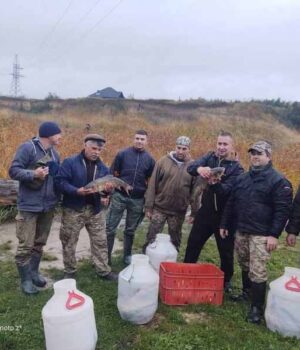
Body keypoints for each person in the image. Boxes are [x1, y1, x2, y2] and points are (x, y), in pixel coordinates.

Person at [220, 141, 293, 324]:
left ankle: (256, 308)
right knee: (244, 262)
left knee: (258, 269)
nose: (255, 156)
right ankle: (247, 292)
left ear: (269, 156)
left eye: (259, 153)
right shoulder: (243, 178)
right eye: (253, 153)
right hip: (242, 229)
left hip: (262, 233)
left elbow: (282, 210)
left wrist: (274, 234)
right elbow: (231, 203)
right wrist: (225, 224)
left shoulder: (279, 181)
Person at [184, 131, 243, 293]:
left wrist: (214, 183)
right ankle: (186, 271)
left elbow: (226, 191)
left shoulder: (238, 169)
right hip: (206, 211)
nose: (221, 147)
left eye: (225, 144)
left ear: (232, 146)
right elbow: (191, 167)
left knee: (225, 251)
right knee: (193, 243)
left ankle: (226, 280)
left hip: (225, 217)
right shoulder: (210, 157)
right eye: (219, 144)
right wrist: (200, 169)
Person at [9, 121, 62, 295]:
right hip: (29, 207)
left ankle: (33, 273)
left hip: (48, 207)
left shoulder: (55, 154)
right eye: (58, 134)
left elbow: (55, 178)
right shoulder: (28, 148)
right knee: (26, 245)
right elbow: (13, 170)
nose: (61, 137)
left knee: (39, 243)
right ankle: (25, 281)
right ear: (48, 134)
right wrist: (33, 174)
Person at [56, 134, 117, 280]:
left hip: (95, 210)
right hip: (73, 209)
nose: (96, 152)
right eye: (93, 148)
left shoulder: (103, 168)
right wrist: (76, 191)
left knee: (100, 241)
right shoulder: (70, 162)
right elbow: (60, 182)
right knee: (69, 240)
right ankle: (70, 271)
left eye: (99, 149)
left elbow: (105, 190)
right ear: (85, 145)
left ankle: (103, 270)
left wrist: (107, 191)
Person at [106, 130, 155, 265]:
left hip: (137, 199)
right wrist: (109, 192)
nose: (139, 141)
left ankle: (127, 255)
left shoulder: (150, 160)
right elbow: (112, 174)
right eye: (137, 138)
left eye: (142, 139)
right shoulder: (122, 154)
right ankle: (106, 256)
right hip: (119, 196)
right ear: (133, 139)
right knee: (110, 228)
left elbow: (151, 181)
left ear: (146, 141)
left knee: (130, 230)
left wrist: (148, 200)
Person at [143, 136, 195, 252]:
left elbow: (195, 192)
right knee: (152, 237)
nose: (180, 151)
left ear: (189, 149)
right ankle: (146, 260)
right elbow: (152, 185)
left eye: (184, 148)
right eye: (179, 147)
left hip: (178, 211)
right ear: (175, 147)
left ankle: (171, 263)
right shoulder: (163, 161)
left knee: (175, 240)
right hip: (159, 208)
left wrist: (194, 212)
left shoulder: (193, 166)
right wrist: (148, 207)